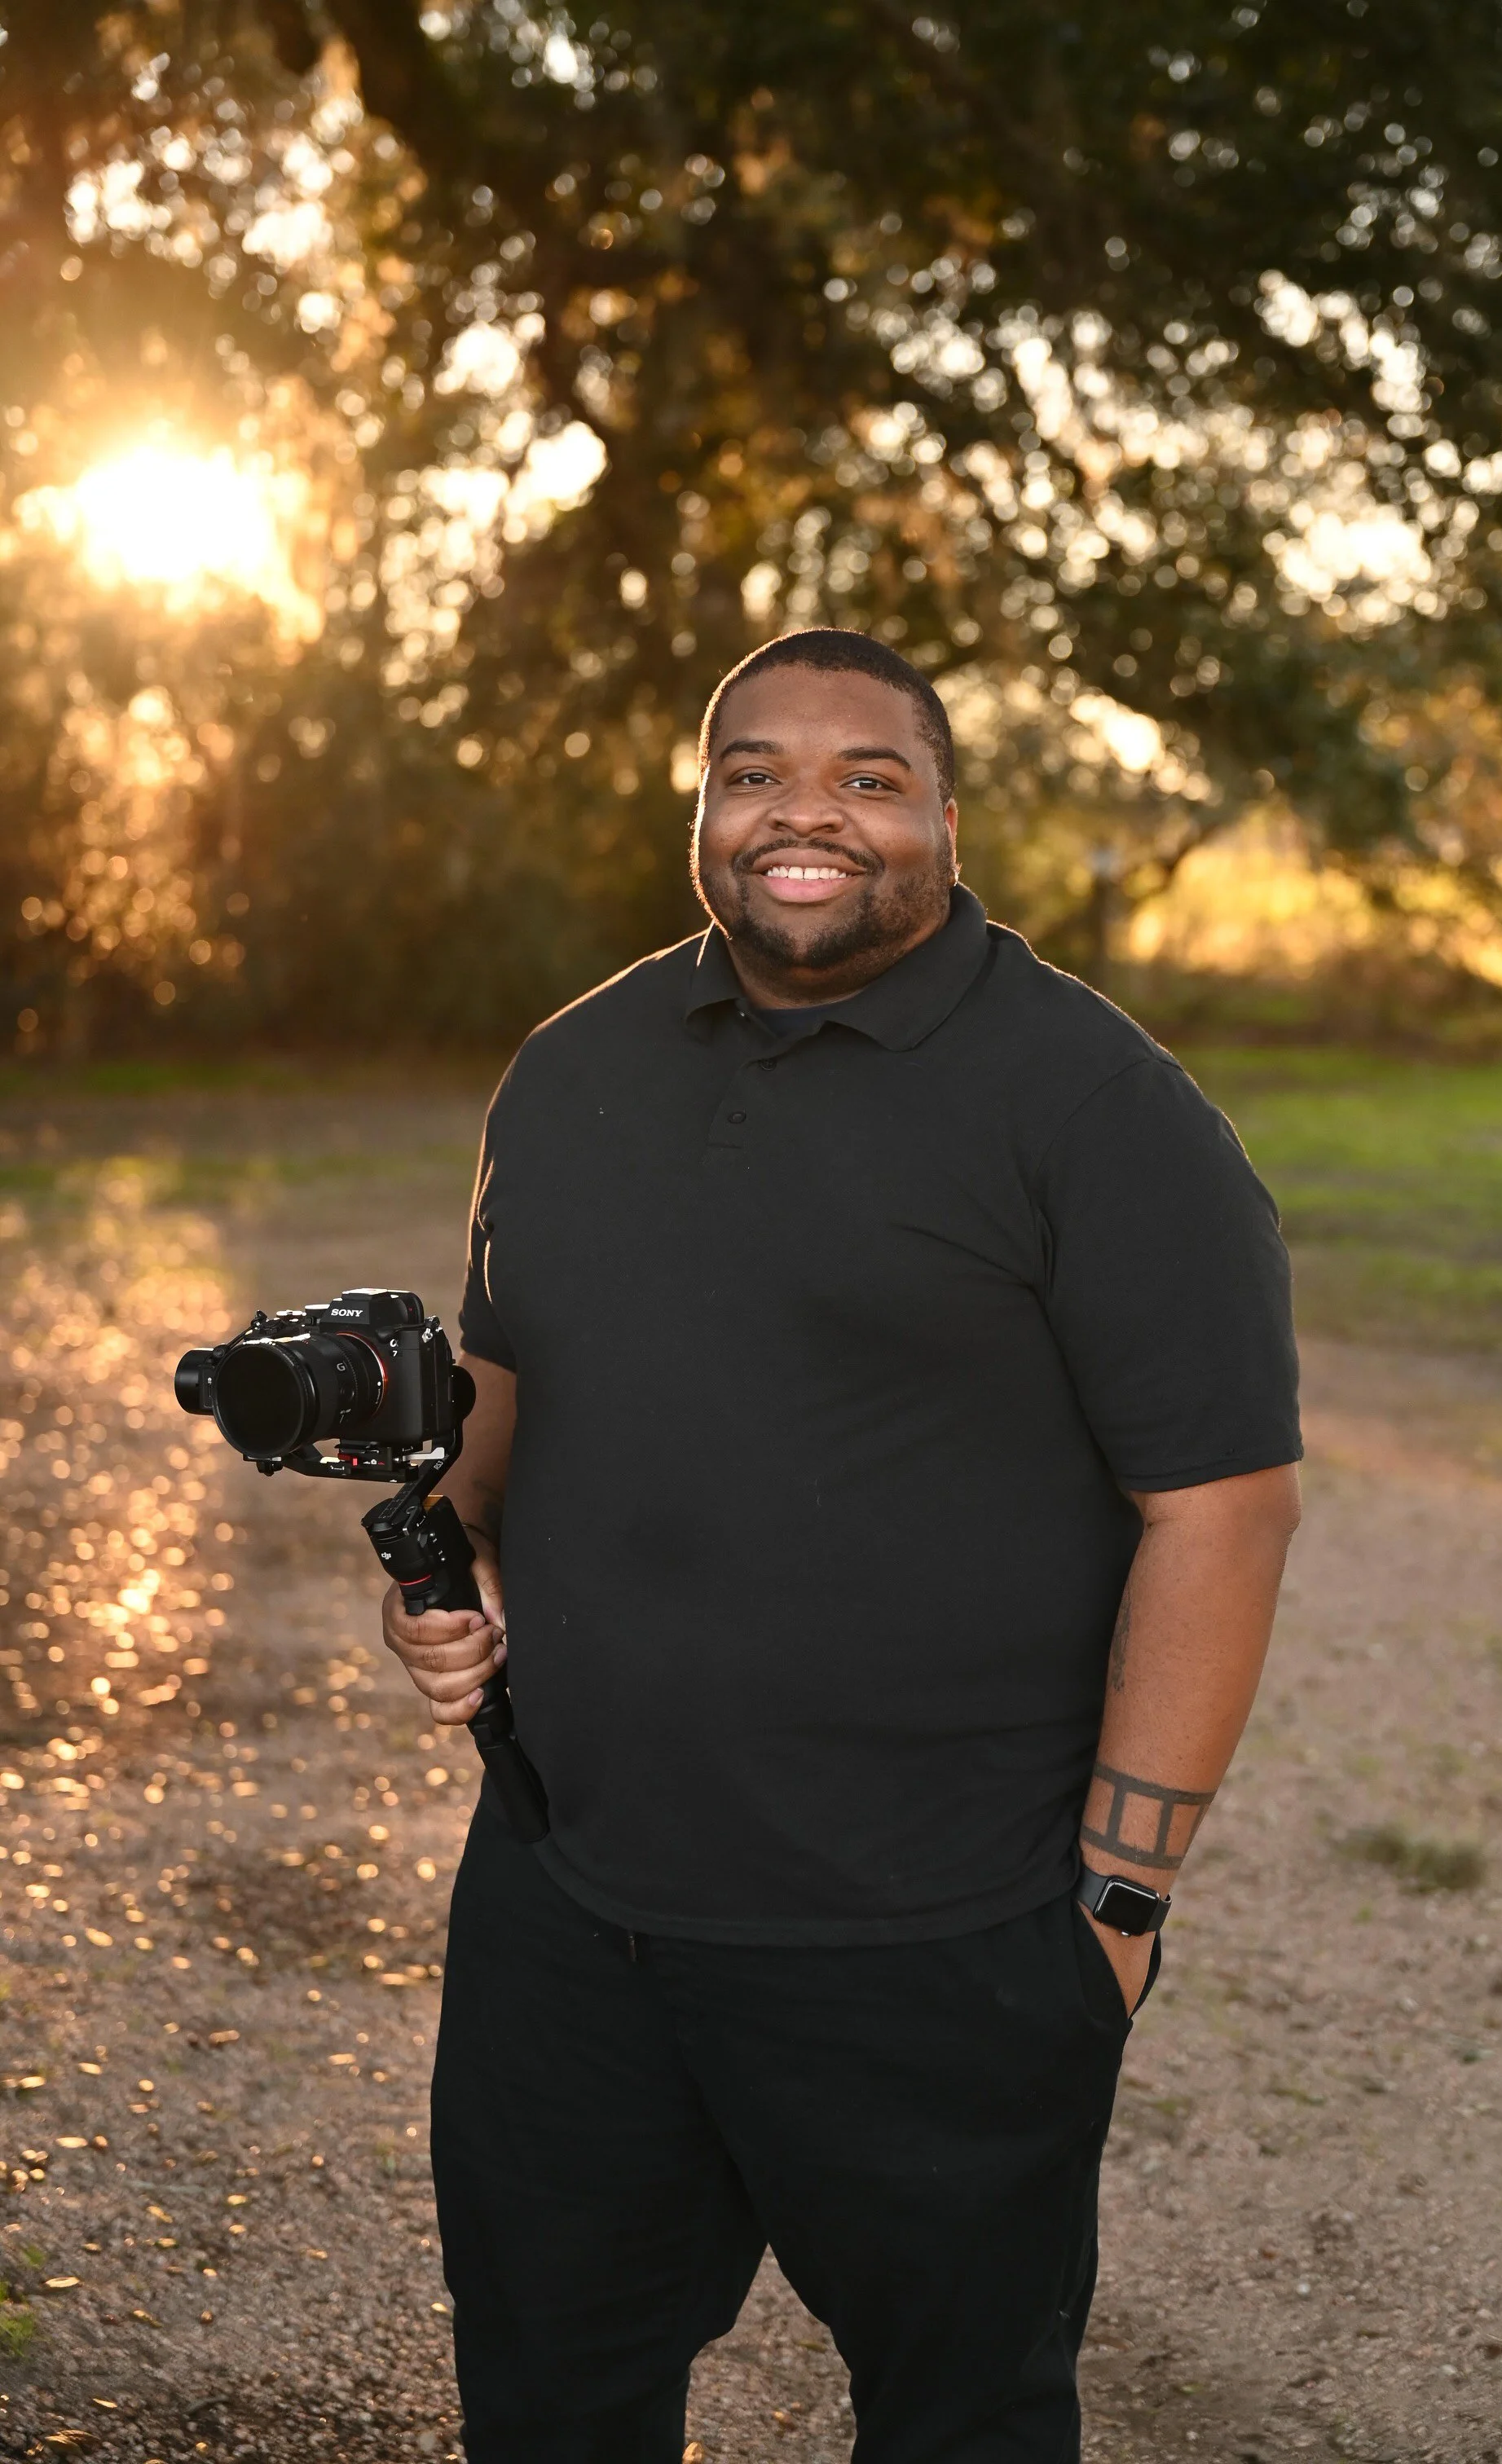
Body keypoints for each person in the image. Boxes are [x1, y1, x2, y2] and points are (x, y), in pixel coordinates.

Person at [383, 628, 1302, 2464]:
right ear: (703, 811)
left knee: (960, 2419)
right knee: (548, 2401)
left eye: (867, 777)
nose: (805, 812)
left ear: (946, 818)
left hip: (935, 1942)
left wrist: (1117, 1903)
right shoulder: (572, 1068)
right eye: (754, 772)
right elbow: (502, 1392)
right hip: (570, 1914)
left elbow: (1219, 1506)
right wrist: (434, 1554)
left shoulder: (1095, 1107)